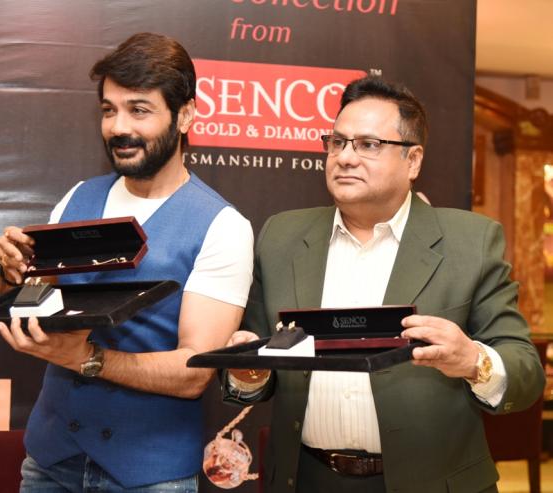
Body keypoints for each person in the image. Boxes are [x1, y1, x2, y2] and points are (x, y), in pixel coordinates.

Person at [224, 75, 545, 493]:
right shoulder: (281, 237)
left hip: (431, 483)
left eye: (368, 144)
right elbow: (259, 362)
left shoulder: (472, 242)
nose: (345, 157)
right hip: (306, 478)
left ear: (413, 161)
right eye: (337, 142)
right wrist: (247, 373)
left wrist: (472, 360)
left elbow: (525, 372)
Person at [0, 33, 253, 492]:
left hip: (150, 475)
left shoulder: (222, 225)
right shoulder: (78, 197)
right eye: (109, 110)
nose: (118, 127)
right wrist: (13, 274)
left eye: (139, 110)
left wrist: (87, 359)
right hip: (50, 462)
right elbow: (29, 303)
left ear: (185, 115)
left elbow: (194, 372)